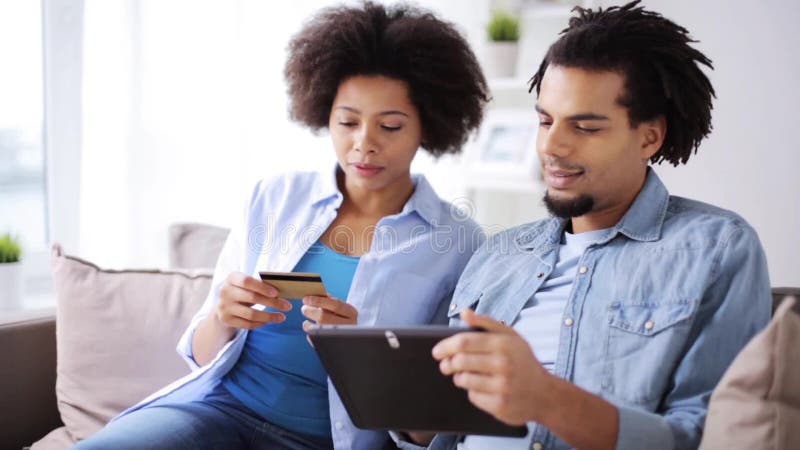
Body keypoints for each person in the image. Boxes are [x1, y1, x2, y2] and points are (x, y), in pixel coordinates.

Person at [73, 2, 488, 450]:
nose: (363, 144)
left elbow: (433, 423)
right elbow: (201, 354)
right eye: (347, 121)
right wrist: (222, 316)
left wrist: (361, 357)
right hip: (218, 411)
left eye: (389, 126)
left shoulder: (457, 243)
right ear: (323, 113)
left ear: (428, 125)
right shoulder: (274, 197)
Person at [396, 2, 772, 449]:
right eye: (545, 121)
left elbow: (705, 439)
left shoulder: (717, 249)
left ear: (649, 136)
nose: (552, 146)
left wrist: (546, 398)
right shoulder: (499, 254)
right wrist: (406, 406)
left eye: (586, 127)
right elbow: (437, 436)